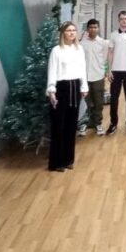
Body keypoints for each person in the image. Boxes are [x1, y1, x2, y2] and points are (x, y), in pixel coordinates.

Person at [47, 21, 88, 171]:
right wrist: (51, 90)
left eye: (74, 30)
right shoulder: (56, 50)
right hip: (61, 88)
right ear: (63, 33)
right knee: (59, 125)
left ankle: (68, 159)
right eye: (68, 30)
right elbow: (52, 71)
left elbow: (82, 68)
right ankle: (56, 163)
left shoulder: (79, 49)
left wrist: (84, 86)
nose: (71, 33)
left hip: (75, 87)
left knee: (71, 125)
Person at [106, 11, 126, 135]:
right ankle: (113, 123)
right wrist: (108, 70)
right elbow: (110, 53)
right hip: (115, 71)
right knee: (114, 99)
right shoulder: (113, 35)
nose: (124, 20)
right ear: (118, 20)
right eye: (122, 19)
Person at [80, 19, 110, 136]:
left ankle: (97, 123)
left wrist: (105, 72)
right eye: (91, 27)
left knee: (98, 102)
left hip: (98, 76)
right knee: (87, 102)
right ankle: (86, 123)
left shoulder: (103, 43)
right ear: (87, 29)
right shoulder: (82, 44)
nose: (93, 29)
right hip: (85, 77)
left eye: (95, 27)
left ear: (98, 28)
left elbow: (105, 59)